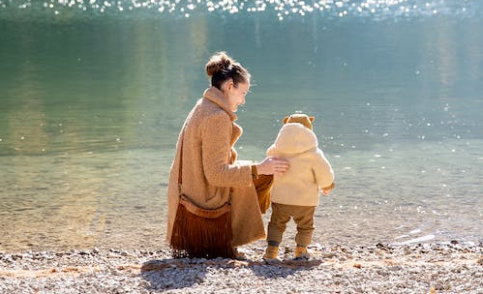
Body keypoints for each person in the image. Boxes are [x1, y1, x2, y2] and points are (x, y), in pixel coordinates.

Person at [166, 51, 290, 259]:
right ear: (230, 86)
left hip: (186, 197)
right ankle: (226, 241)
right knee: (262, 176)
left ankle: (229, 240)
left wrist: (255, 168)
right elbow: (216, 174)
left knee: (255, 171)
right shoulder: (217, 117)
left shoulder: (203, 106)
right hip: (199, 207)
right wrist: (259, 168)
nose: (243, 101)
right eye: (243, 93)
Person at [263, 113, 335, 261]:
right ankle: (301, 251)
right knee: (305, 226)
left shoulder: (276, 149)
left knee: (276, 224)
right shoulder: (314, 153)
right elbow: (324, 172)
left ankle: (271, 251)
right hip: (305, 201)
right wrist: (327, 185)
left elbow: (268, 157)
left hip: (280, 198)